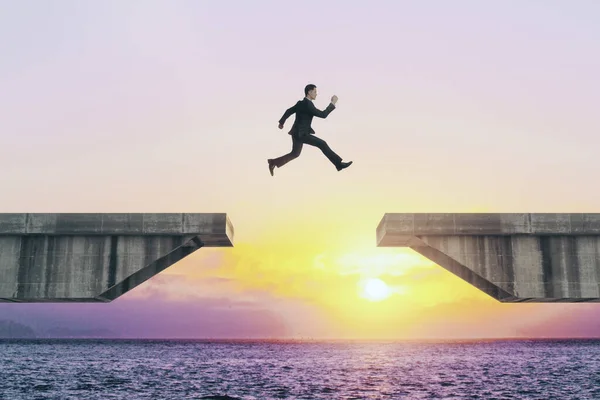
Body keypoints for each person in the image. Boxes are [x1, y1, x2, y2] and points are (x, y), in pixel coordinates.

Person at [267, 84, 353, 176]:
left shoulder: (301, 103)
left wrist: (281, 122)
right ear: (309, 92)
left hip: (296, 133)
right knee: (322, 144)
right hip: (302, 134)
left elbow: (289, 111)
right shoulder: (308, 105)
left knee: (295, 153)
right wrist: (332, 103)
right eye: (315, 92)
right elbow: (323, 114)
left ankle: (273, 162)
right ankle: (339, 164)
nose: (316, 94)